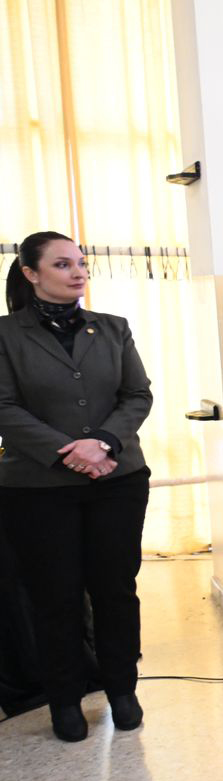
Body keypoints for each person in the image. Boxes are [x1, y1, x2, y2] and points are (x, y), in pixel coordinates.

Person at [0, 231, 153, 742]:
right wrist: (70, 451)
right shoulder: (6, 335)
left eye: (81, 263)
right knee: (55, 596)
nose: (78, 271)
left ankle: (121, 690)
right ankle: (64, 700)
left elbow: (137, 394)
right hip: (38, 487)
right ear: (31, 273)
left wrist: (103, 443)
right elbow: (4, 408)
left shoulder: (112, 329)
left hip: (119, 479)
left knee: (115, 589)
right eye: (63, 264)